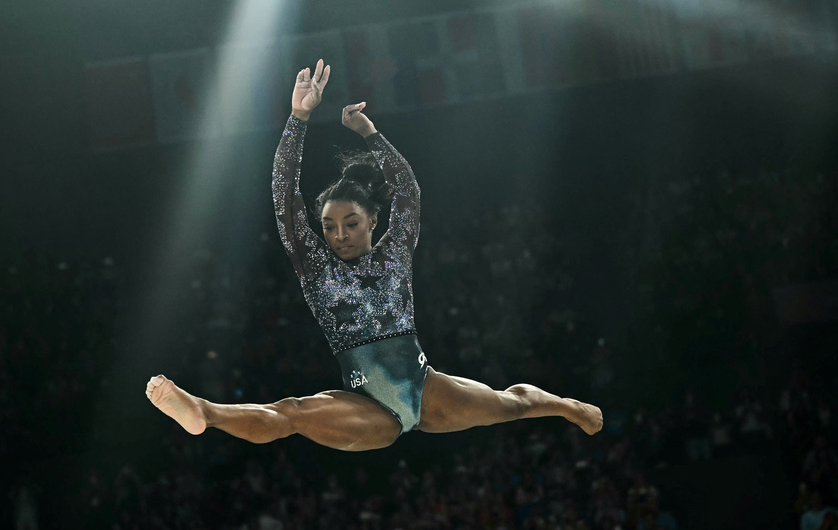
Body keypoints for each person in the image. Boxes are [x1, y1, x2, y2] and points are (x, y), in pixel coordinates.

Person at [146, 59, 603, 451]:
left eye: (349, 224)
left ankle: (568, 405)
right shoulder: (314, 267)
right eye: (328, 227)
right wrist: (297, 119)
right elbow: (284, 196)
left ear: (372, 224)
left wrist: (370, 132)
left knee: (513, 405)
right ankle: (202, 410)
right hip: (367, 406)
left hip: (427, 389)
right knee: (291, 414)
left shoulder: (393, 255)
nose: (338, 235)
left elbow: (408, 191)